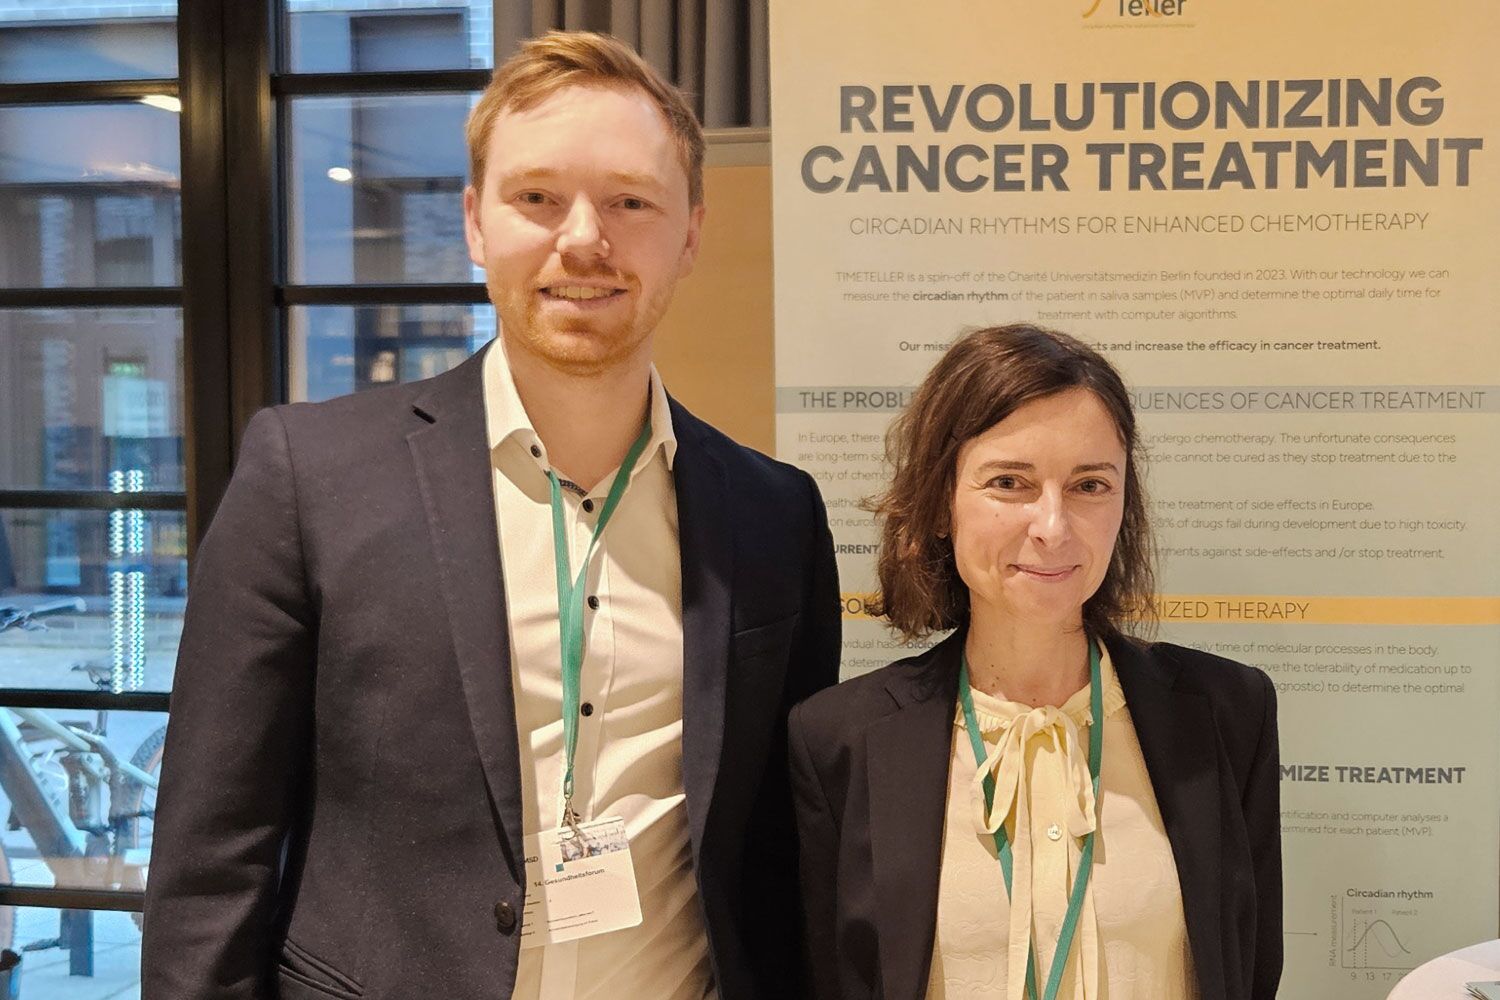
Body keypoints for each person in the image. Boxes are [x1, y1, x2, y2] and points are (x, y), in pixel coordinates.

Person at [142, 31, 840, 1000]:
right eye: (537, 197)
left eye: (630, 201)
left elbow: (778, 856)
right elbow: (211, 863)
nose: (584, 238)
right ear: (475, 222)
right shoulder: (309, 478)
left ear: (690, 233)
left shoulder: (774, 515)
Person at [788, 324, 1280, 1000]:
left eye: (1089, 485)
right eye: (1009, 482)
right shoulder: (839, 740)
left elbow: (1251, 968)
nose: (1053, 526)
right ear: (940, 502)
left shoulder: (1228, 712)